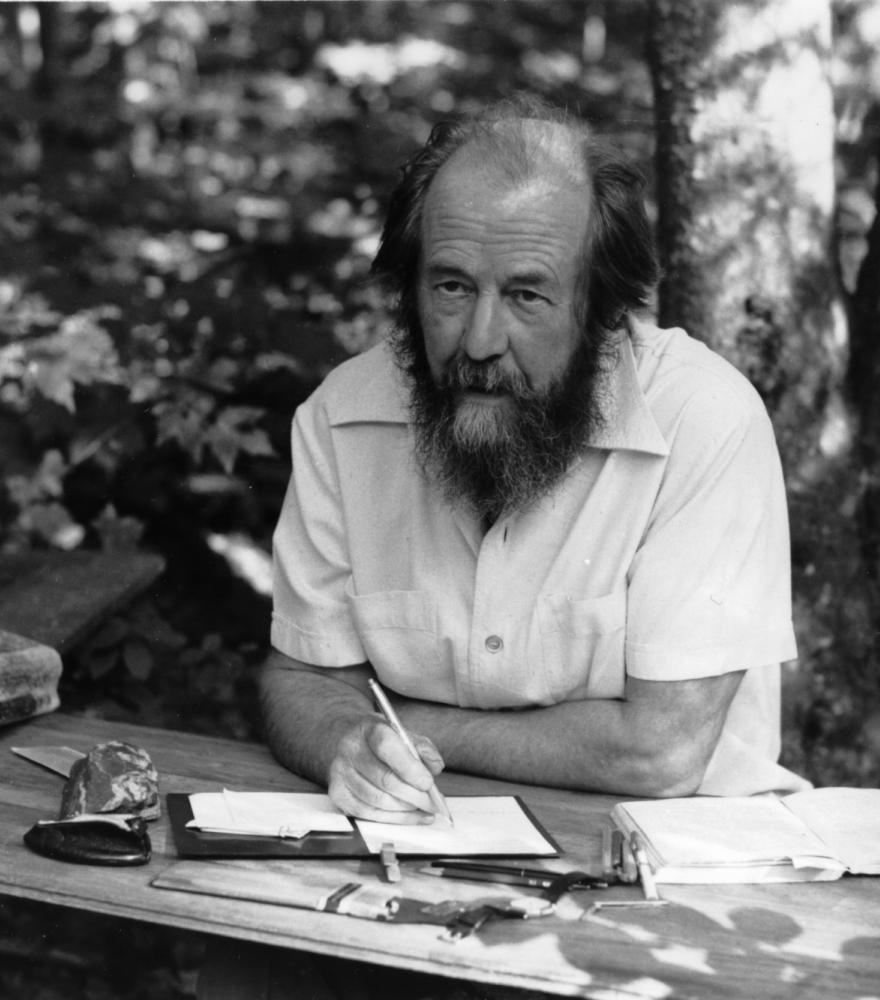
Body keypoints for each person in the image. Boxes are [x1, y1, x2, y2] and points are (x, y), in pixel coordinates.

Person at [199, 94, 808, 1000]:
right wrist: (345, 744)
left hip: (670, 902)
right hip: (409, 874)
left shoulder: (703, 421)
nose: (480, 341)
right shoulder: (342, 415)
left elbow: (660, 753)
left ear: (601, 307)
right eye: (451, 287)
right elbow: (300, 676)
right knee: (242, 964)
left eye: (526, 295)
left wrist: (412, 730)